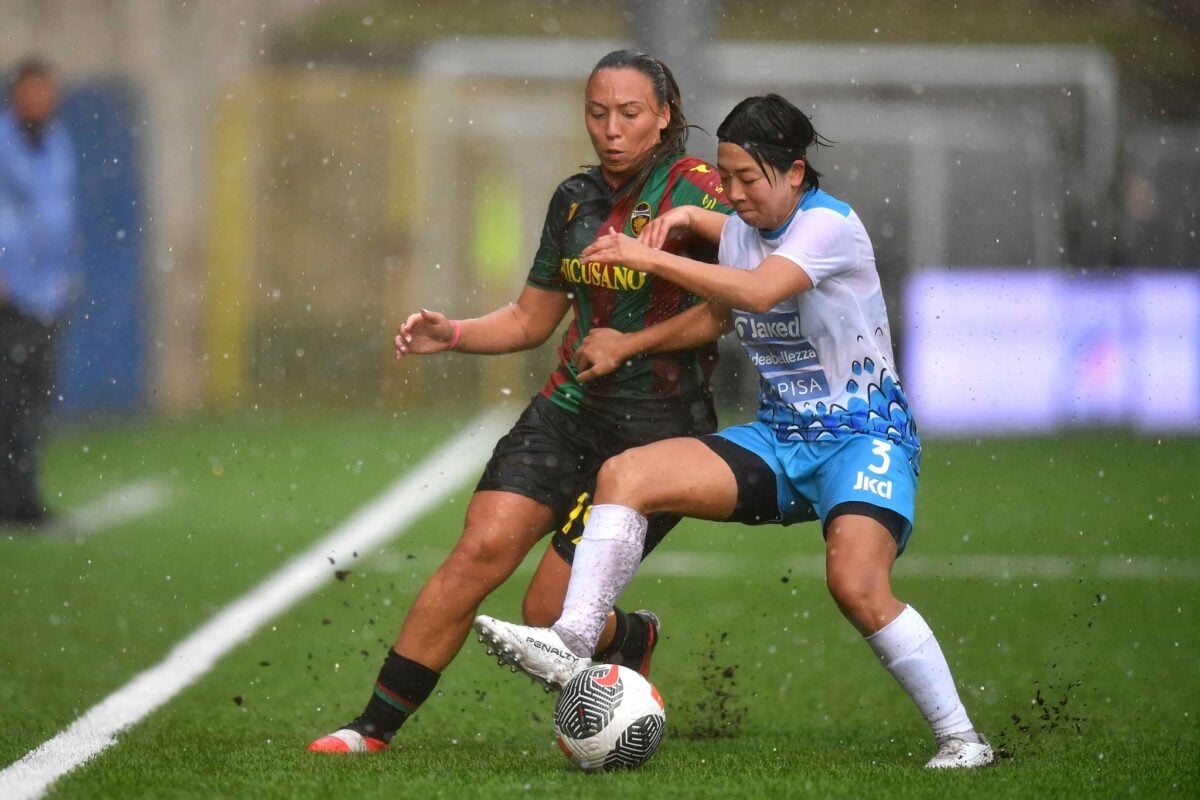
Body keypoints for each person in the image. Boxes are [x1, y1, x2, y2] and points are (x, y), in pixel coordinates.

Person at [475, 94, 995, 769]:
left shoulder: (828, 228)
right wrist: (686, 220)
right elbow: (727, 277)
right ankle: (573, 638)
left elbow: (755, 293)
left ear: (796, 174)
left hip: (864, 439)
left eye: (749, 178)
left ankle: (962, 740)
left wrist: (651, 255)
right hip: (780, 442)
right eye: (725, 177)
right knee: (624, 475)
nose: (734, 193)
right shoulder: (742, 225)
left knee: (856, 587)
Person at [307, 50, 732, 753]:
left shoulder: (700, 191)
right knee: (478, 550)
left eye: (629, 113)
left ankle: (630, 636)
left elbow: (725, 312)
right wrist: (455, 334)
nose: (612, 129)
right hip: (568, 413)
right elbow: (533, 320)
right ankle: (372, 730)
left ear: (664, 116)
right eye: (598, 113)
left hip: (659, 434)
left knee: (547, 609)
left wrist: (630, 344)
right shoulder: (574, 198)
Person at [0, 57, 80, 528]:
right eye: (33, 91)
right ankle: (10, 499)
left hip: (47, 291)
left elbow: (59, 212)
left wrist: (67, 271)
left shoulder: (57, 142)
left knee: (35, 398)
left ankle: (24, 497)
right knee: (8, 400)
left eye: (47, 91)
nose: (41, 100)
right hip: (11, 291)